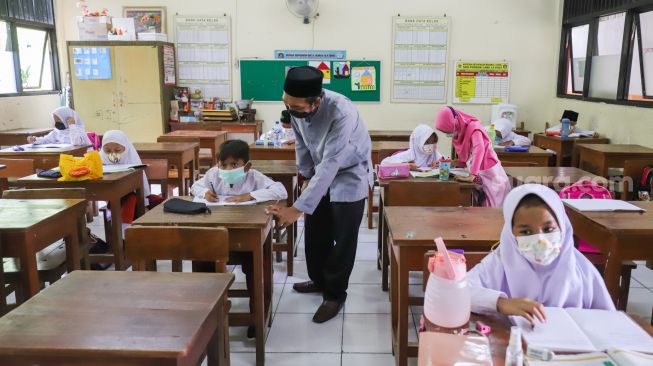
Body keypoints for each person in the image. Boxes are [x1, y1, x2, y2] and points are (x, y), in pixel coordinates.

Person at [265, 66, 372, 324]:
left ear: (316, 102)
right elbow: (302, 144)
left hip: (350, 171)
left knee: (343, 236)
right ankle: (319, 279)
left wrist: (296, 208)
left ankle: (335, 295)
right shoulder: (297, 109)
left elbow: (332, 162)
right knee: (315, 231)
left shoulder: (341, 112)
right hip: (321, 169)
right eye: (286, 104)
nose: (291, 111)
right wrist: (304, 177)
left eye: (297, 108)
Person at [468, 184, 615, 326]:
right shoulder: (500, 263)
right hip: (514, 345)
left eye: (548, 229)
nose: (540, 240)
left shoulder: (582, 271)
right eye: (526, 232)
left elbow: (609, 321)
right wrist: (502, 303)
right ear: (511, 233)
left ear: (562, 227)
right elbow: (459, 291)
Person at [190, 139, 287, 338]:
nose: (227, 169)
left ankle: (256, 315)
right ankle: (209, 315)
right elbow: (195, 187)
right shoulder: (213, 175)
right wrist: (205, 192)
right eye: (223, 164)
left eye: (234, 164)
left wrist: (249, 196)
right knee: (201, 259)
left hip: (248, 237)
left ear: (247, 165)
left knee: (259, 264)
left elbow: (280, 190)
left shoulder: (254, 177)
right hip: (218, 236)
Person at [435, 106, 511, 207]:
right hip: (481, 179)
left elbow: (479, 149)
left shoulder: (473, 127)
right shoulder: (459, 133)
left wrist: (473, 175)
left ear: (455, 121)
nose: (449, 135)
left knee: (491, 213)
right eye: (446, 133)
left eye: (449, 131)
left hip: (492, 178)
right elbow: (467, 159)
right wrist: (451, 163)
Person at [27, 107, 92, 146]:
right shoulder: (57, 131)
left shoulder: (78, 130)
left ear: (66, 118)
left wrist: (72, 126)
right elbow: (46, 139)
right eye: (55, 121)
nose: (56, 123)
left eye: (59, 120)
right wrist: (35, 140)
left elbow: (76, 143)